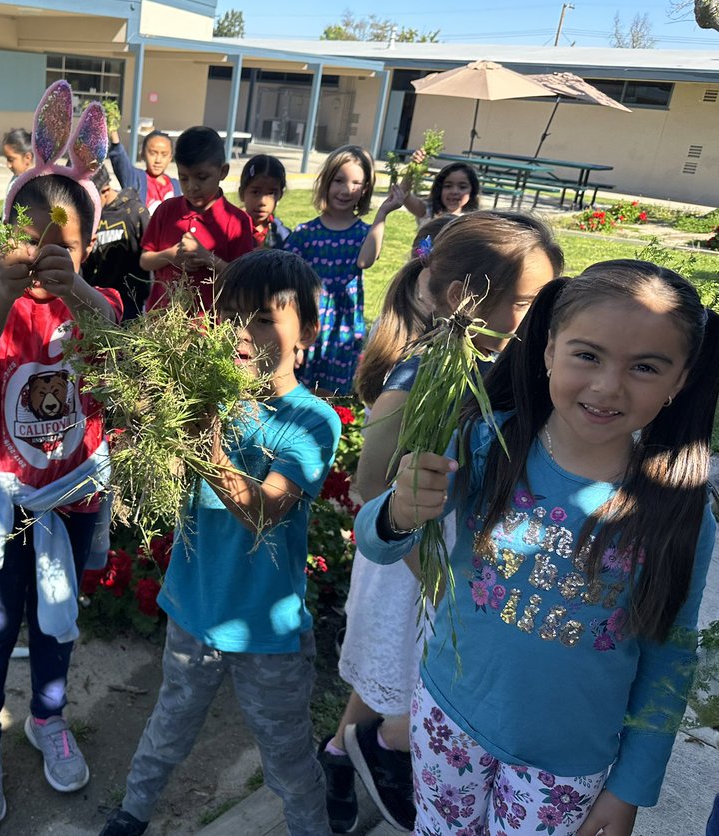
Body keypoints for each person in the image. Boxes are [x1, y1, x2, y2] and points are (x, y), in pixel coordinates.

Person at [356, 258, 719, 835]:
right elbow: (377, 543)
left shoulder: (678, 509)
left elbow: (669, 656)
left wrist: (630, 788)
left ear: (681, 379)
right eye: (587, 355)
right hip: (447, 717)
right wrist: (400, 510)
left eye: (645, 367)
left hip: (565, 765)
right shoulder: (487, 443)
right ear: (549, 349)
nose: (607, 386)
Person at [327, 212, 563, 833]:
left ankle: (341, 757)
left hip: (449, 564)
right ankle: (381, 755)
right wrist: (433, 573)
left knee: (394, 681)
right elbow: (368, 489)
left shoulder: (506, 367)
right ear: (467, 298)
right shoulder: (414, 382)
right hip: (412, 568)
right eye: (531, 302)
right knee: (410, 686)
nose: (544, 317)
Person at [100, 250, 341, 836]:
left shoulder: (309, 419)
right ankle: (132, 815)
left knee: (286, 759)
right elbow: (128, 360)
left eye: (262, 318)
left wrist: (205, 446)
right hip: (192, 612)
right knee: (168, 727)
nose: (240, 333)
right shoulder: (204, 397)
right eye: (228, 315)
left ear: (306, 332)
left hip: (267, 634)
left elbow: (266, 507)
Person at [0, 81, 121, 828]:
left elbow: (118, 346)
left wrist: (77, 288)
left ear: (88, 248)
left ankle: (47, 717)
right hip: (6, 498)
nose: (47, 256)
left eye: (66, 244)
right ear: (7, 240)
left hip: (74, 493)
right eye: (32, 240)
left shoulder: (99, 305)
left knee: (57, 618)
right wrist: (6, 283)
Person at [283, 144, 406, 396]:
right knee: (294, 391)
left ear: (365, 190)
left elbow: (365, 261)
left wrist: (383, 214)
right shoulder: (305, 234)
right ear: (326, 182)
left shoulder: (364, 233)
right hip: (308, 321)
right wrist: (294, 336)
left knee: (329, 395)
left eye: (356, 183)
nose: (346, 189)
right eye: (339, 180)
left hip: (342, 327)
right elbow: (288, 286)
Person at [139, 126, 255, 313]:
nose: (192, 187)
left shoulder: (237, 221)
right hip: (160, 324)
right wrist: (170, 255)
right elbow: (145, 260)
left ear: (223, 172)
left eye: (202, 177)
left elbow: (243, 280)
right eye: (183, 178)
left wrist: (208, 258)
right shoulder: (166, 210)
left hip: (209, 331)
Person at [80, 164, 150, 321]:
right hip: (97, 301)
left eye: (88, 199)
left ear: (104, 191)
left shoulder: (135, 213)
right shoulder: (88, 218)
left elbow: (150, 256)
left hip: (131, 304)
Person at [107, 127, 179, 214]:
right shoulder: (137, 179)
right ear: (143, 154)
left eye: (164, 155)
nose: (158, 160)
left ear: (170, 158)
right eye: (153, 153)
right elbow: (120, 159)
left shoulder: (176, 185)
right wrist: (113, 132)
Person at [402, 159, 481, 224]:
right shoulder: (427, 211)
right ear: (439, 189)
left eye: (462, 187)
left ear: (472, 191)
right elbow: (403, 194)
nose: (454, 192)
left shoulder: (474, 220)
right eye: (448, 186)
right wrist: (413, 167)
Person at [239, 154, 290, 248]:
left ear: (280, 196)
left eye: (271, 193)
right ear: (242, 193)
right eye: (255, 192)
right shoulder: (230, 230)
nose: (262, 202)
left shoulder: (284, 237)